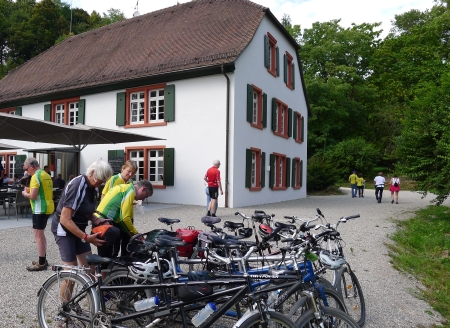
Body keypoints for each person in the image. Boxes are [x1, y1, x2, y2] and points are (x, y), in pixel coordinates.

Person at [50, 159, 113, 270]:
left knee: (90, 268)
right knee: (71, 272)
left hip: (78, 228)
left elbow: (84, 208)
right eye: (101, 179)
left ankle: (87, 287)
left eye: (104, 180)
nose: (102, 183)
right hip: (64, 229)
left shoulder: (93, 187)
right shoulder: (78, 185)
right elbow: (65, 219)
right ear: (92, 172)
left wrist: (95, 219)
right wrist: (86, 237)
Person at [95, 180, 153, 259]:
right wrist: (135, 233)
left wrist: (131, 234)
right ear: (143, 189)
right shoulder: (130, 192)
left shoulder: (125, 187)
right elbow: (125, 218)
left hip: (99, 219)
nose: (143, 200)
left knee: (105, 256)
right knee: (106, 257)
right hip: (104, 223)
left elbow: (121, 220)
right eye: (146, 196)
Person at [22, 158, 54, 271]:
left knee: (38, 236)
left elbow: (33, 196)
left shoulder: (35, 176)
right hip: (48, 206)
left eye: (26, 169)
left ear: (31, 166)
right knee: (41, 235)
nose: (26, 172)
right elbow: (41, 191)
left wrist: (25, 193)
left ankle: (41, 263)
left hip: (39, 209)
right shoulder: (45, 174)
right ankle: (43, 258)